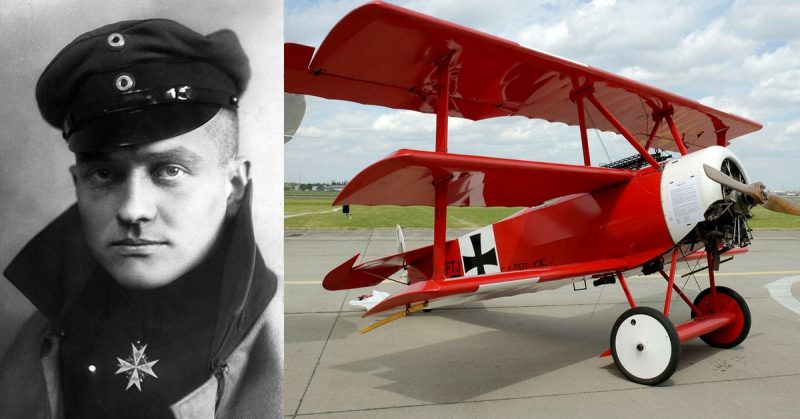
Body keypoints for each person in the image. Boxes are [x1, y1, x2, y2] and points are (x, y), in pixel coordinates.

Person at [0, 19, 280, 418]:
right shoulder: (34, 342)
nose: (133, 210)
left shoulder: (277, 341)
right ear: (77, 183)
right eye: (103, 174)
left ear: (234, 185)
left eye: (169, 170)